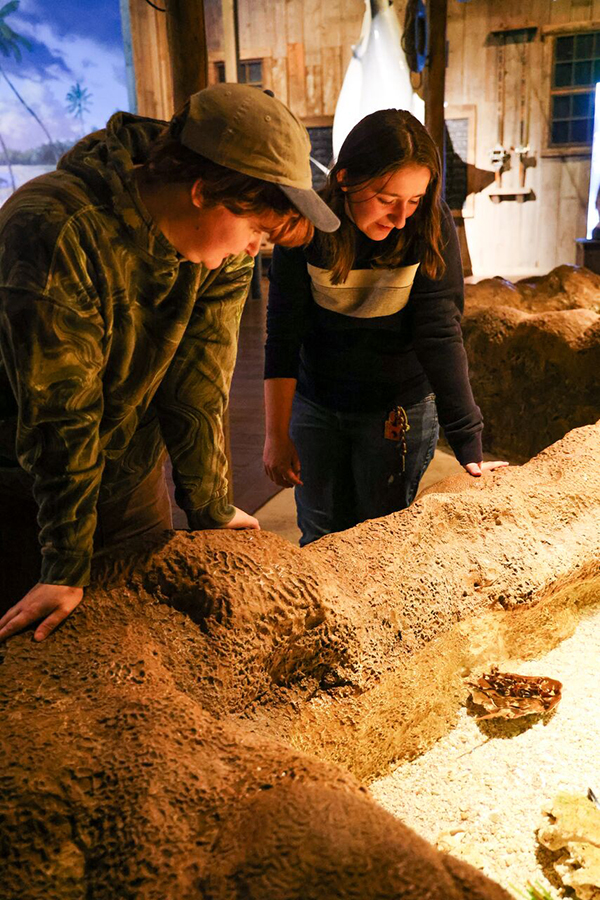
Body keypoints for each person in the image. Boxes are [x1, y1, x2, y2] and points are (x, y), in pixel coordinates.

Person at [0, 83, 340, 642]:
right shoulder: (56, 226)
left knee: (140, 644)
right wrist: (63, 563)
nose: (257, 248)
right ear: (203, 191)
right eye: (256, 228)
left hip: (131, 476)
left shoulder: (220, 254)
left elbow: (199, 384)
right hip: (27, 489)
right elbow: (60, 416)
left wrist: (210, 506)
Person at [263, 108, 507, 545]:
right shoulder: (307, 229)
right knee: (319, 531)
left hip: (399, 408)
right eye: (387, 198)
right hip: (317, 401)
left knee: (381, 537)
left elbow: (440, 334)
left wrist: (469, 447)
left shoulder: (429, 227)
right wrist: (275, 434)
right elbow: (283, 333)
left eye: (414, 201)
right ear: (345, 178)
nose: (400, 218)